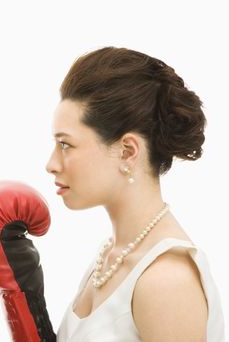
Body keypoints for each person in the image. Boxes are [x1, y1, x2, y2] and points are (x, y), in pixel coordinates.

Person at [45, 47, 225, 341]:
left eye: (65, 145)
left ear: (127, 151)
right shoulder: (108, 258)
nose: (51, 165)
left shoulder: (166, 281)